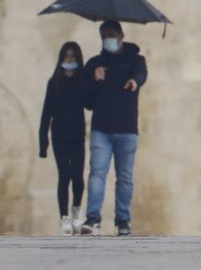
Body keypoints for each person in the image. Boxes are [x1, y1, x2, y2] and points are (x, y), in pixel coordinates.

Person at [80, 20, 147, 236]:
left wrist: (134, 82)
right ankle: (92, 218)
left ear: (121, 35)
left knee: (125, 177)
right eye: (104, 35)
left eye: (111, 34)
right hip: (101, 129)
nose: (108, 38)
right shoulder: (94, 64)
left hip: (127, 129)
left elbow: (141, 75)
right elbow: (86, 100)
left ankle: (123, 220)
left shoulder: (135, 60)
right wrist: (95, 79)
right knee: (97, 173)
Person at [39, 41, 88, 235]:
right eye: (67, 57)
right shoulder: (54, 82)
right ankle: (64, 218)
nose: (70, 60)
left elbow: (90, 102)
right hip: (59, 136)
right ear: (61, 59)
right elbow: (46, 113)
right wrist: (43, 142)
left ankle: (76, 210)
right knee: (64, 176)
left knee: (78, 176)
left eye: (73, 57)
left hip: (77, 135)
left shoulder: (83, 80)